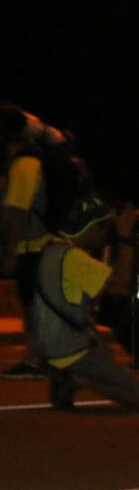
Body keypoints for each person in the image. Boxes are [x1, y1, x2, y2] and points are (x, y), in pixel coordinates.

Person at [27, 193, 139, 412]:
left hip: (48, 343)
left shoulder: (50, 251)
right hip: (69, 346)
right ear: (89, 227)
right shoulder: (73, 258)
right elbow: (122, 282)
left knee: (101, 349)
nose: (105, 235)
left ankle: (67, 374)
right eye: (103, 228)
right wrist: (125, 237)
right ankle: (77, 376)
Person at [1, 104, 71, 375]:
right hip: (45, 244)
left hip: (33, 246)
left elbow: (18, 211)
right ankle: (45, 356)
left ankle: (38, 357)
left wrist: (9, 253)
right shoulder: (37, 161)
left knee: (32, 305)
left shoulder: (24, 165)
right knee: (38, 304)